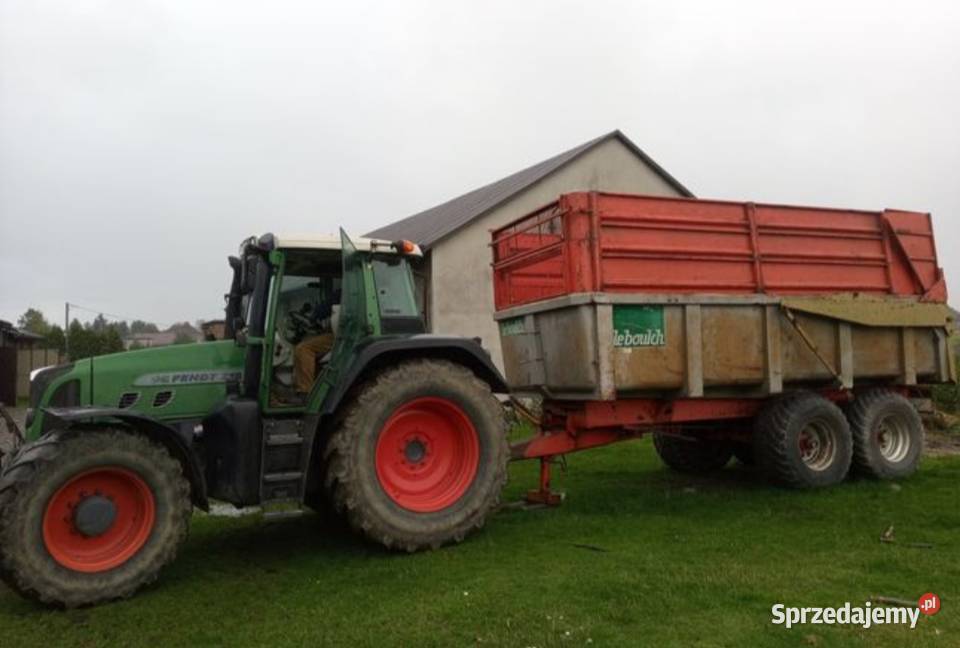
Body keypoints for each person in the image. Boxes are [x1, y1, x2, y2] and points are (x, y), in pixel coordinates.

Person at [293, 299, 336, 393]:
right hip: (335, 331)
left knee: (303, 349)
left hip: (338, 335)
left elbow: (324, 309)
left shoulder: (338, 296)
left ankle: (305, 390)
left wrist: (314, 315)